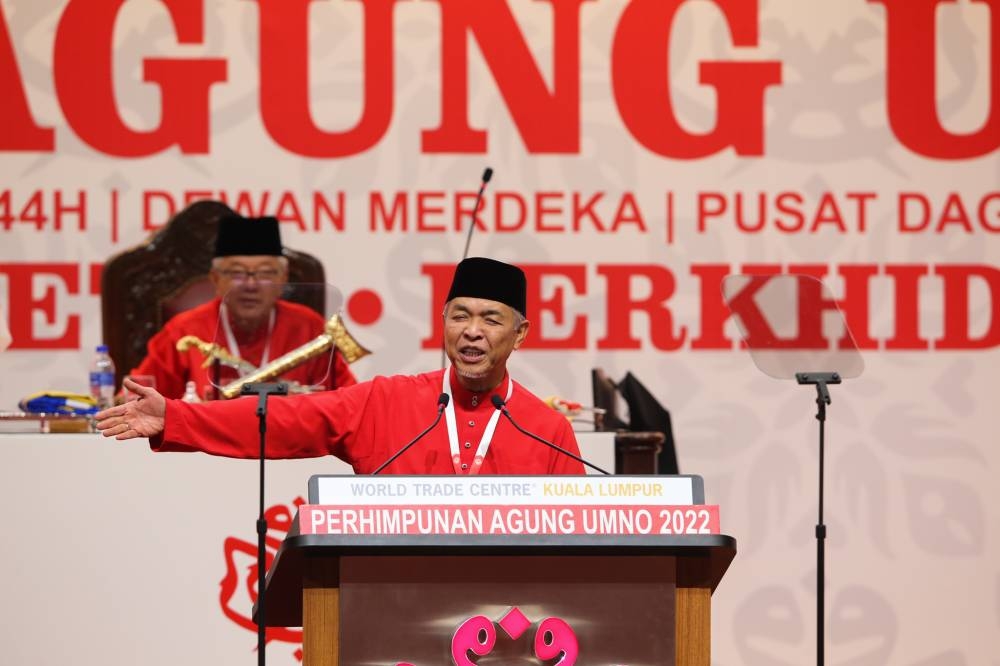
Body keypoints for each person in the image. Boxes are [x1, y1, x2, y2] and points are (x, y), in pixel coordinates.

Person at [97, 257, 584, 475]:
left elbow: (580, 548)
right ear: (443, 323)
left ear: (519, 334)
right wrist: (177, 418)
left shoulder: (548, 430)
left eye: (490, 319)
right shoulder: (386, 402)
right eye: (460, 316)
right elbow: (282, 420)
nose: (472, 330)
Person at [129, 214, 357, 399]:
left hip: (290, 449)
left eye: (265, 273)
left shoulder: (308, 326)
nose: (251, 285)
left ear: (283, 279)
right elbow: (139, 398)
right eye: (237, 273)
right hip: (205, 450)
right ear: (216, 279)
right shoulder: (184, 331)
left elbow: (347, 398)